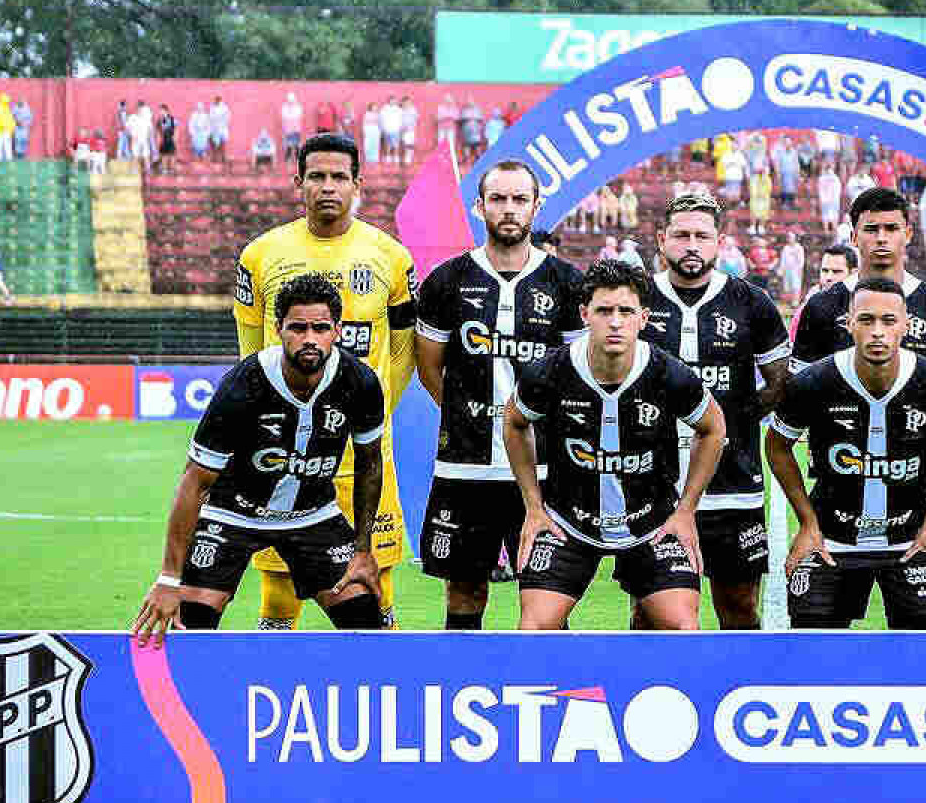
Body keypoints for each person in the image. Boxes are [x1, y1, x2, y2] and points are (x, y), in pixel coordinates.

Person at [132, 273, 387, 644]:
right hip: (232, 513)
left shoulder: (359, 382)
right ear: (278, 328)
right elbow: (195, 480)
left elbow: (370, 464)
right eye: (298, 328)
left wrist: (362, 550)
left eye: (321, 328)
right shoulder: (244, 383)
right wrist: (169, 579)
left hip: (313, 515)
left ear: (338, 330)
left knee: (367, 622)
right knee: (190, 626)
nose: (310, 339)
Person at [234, 133, 417, 630]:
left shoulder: (392, 258)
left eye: (339, 177)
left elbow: (403, 351)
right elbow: (251, 351)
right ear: (299, 182)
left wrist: (367, 414)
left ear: (358, 183)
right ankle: (273, 685)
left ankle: (384, 684)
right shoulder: (260, 255)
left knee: (375, 579)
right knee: (277, 591)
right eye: (317, 176)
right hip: (284, 453)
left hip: (363, 456)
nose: (328, 187)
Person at [504, 259, 728, 631]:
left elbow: (713, 428)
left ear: (643, 317)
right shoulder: (551, 371)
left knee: (683, 630)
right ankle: (568, 687)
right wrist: (533, 506)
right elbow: (514, 422)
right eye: (604, 310)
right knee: (535, 632)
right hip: (568, 522)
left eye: (626, 311)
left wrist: (686, 510)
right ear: (584, 314)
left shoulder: (668, 374)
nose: (615, 321)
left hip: (651, 523)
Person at [414, 160, 585, 630]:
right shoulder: (446, 281)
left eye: (518, 199)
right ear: (480, 206)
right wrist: (470, 416)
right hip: (463, 468)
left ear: (536, 206)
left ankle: (549, 697)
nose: (508, 209)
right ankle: (460, 687)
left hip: (545, 469)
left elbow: (576, 377)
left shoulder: (567, 283)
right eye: (498, 199)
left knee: (546, 600)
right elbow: (432, 370)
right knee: (464, 590)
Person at [766, 278, 926, 630]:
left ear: (906, 326)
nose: (877, 332)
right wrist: (807, 521)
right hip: (830, 539)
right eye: (866, 320)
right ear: (849, 324)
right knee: (814, 656)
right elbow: (776, 443)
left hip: (911, 539)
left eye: (888, 321)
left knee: (921, 655)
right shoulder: (814, 382)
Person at [636, 190, 791, 630]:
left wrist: (735, 420)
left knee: (739, 606)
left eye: (702, 236)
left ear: (719, 242)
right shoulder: (638, 300)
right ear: (662, 239)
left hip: (733, 485)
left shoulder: (751, 302)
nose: (691, 245)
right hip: (652, 485)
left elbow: (780, 383)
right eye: (681, 235)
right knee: (651, 614)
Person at [789, 187, 926, 396]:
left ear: (907, 235)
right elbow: (798, 393)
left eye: (891, 228)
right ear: (853, 237)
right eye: (871, 229)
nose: (881, 238)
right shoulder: (821, 306)